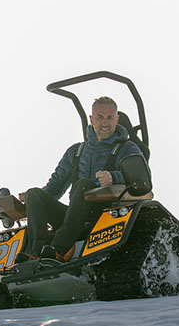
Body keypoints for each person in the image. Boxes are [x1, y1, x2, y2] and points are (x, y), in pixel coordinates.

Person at [17, 96, 145, 263]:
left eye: (109, 118)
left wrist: (114, 177)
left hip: (106, 216)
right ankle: (36, 252)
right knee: (35, 194)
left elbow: (142, 178)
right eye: (99, 117)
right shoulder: (76, 151)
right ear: (91, 119)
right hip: (73, 216)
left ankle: (59, 250)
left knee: (83, 185)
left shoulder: (127, 148)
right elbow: (54, 187)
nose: (105, 123)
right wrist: (31, 203)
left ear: (117, 119)